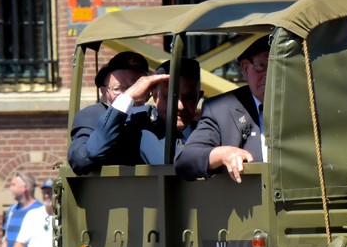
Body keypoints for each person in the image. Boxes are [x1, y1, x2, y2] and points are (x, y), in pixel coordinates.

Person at [176, 36, 270, 182]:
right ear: (245, 68)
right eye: (262, 66)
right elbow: (186, 160)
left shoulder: (311, 105)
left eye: (279, 68)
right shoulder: (221, 109)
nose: (270, 75)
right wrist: (222, 154)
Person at [68, 51, 153, 174]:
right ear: (104, 91)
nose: (130, 94)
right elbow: (80, 159)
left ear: (148, 93)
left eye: (136, 88)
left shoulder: (153, 117)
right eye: (118, 89)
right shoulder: (92, 115)